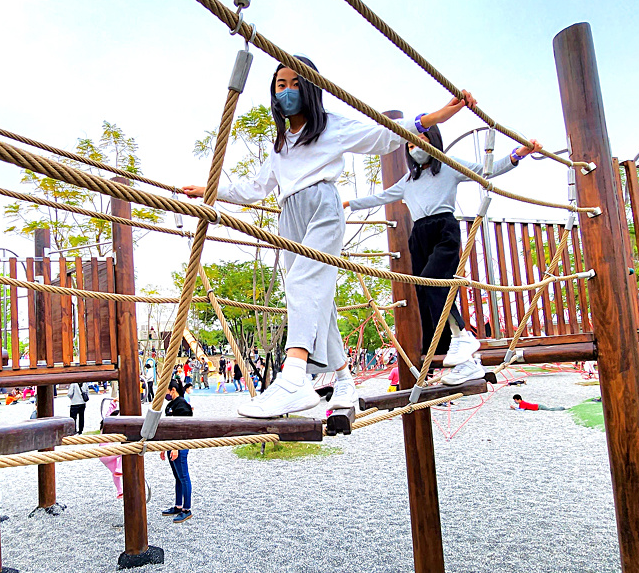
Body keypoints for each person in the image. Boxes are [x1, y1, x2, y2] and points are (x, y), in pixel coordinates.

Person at [182, 56, 470, 419]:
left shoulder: (331, 127)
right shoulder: (281, 144)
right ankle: (345, 380)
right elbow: (255, 188)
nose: (287, 91)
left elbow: (381, 137)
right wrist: (210, 189)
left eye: (295, 83)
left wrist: (432, 118)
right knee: (318, 300)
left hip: (322, 207)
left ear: (312, 88)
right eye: (280, 85)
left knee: (302, 283)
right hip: (290, 216)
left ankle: (294, 378)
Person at [346, 123, 540, 384]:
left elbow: (485, 171)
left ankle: (463, 336)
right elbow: (381, 197)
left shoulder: (448, 167)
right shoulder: (409, 181)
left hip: (444, 229)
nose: (415, 148)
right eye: (411, 145)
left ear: (433, 142)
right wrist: (347, 203)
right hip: (419, 236)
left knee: (434, 284)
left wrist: (518, 154)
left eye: (420, 141)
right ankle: (454, 358)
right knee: (424, 294)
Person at [160, 383, 194, 523]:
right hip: (171, 444)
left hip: (179, 445)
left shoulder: (181, 405)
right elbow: (168, 428)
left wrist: (176, 447)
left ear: (172, 390)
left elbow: (183, 428)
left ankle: (187, 509)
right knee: (177, 476)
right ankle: (178, 505)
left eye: (167, 391)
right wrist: (164, 446)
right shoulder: (171, 405)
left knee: (183, 476)